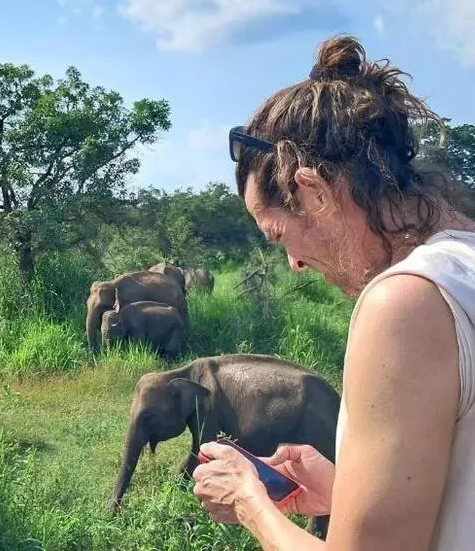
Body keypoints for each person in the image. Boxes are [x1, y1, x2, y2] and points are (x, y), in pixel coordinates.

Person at [190, 34, 475, 550]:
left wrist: (249, 502)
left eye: (278, 234)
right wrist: (348, 492)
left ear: (314, 192)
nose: (294, 264)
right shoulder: (463, 269)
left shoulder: (406, 302)